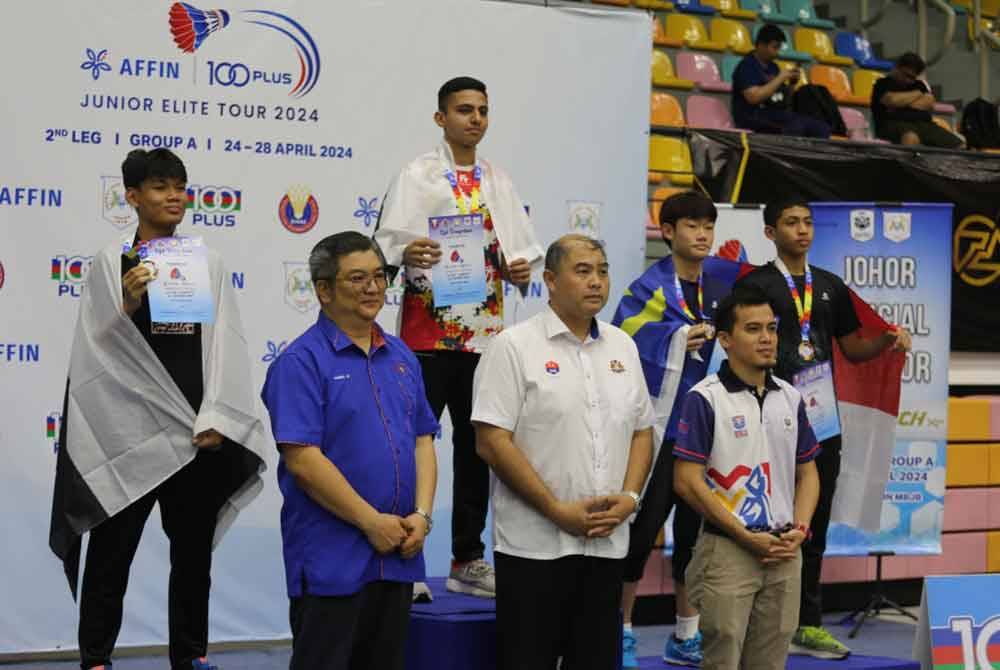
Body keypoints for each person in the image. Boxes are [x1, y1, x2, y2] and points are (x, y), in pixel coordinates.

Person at [49, 148, 271, 670]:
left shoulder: (206, 261)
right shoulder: (112, 261)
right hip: (129, 436)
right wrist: (124, 304)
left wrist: (218, 414)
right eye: (159, 187)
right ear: (132, 197)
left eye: (180, 186)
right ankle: (96, 659)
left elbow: (225, 345)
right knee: (111, 556)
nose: (174, 197)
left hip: (196, 432)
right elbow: (94, 348)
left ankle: (191, 656)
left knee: (192, 558)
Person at [374, 75, 544, 598]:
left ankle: (467, 559)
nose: (475, 119)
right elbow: (386, 244)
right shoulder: (417, 174)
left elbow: (521, 251)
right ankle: (405, 562)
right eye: (464, 109)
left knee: (479, 449)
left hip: (486, 338)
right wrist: (408, 252)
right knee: (411, 444)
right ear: (440, 117)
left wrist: (520, 272)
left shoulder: (499, 179)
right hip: (427, 335)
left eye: (483, 110)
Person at [735, 199, 912, 659]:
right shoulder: (756, 284)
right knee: (763, 513)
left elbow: (853, 348)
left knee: (810, 521)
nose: (803, 230)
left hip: (821, 422)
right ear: (771, 232)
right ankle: (759, 621)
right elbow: (741, 345)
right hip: (767, 414)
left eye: (808, 222)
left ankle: (806, 623)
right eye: (792, 223)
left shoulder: (830, 286)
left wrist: (888, 341)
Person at [471, 234, 655, 670]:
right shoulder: (513, 346)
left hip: (607, 543)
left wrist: (629, 500)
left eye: (603, 271)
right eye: (583, 271)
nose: (596, 282)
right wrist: (556, 509)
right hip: (534, 547)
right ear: (550, 280)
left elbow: (642, 431)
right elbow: (491, 441)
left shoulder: (622, 347)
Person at [260, 232, 439, 670]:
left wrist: (422, 515)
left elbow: (423, 440)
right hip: (331, 561)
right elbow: (303, 460)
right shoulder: (300, 362)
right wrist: (369, 521)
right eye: (357, 278)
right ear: (323, 290)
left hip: (398, 554)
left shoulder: (402, 356)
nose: (373, 288)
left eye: (379, 277)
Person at [612, 191, 741, 667]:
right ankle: (621, 631)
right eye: (691, 225)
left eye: (708, 225)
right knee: (642, 531)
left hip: (707, 430)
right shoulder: (649, 287)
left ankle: (685, 634)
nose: (703, 234)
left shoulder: (722, 286)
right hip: (658, 430)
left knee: (696, 536)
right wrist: (678, 337)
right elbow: (624, 338)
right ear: (667, 232)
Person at [674, 286, 821, 670]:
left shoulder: (790, 396)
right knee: (721, 661)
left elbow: (809, 473)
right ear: (725, 340)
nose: (767, 338)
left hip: (786, 549)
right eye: (753, 329)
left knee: (771, 663)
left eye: (771, 328)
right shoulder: (704, 398)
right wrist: (744, 535)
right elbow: (686, 480)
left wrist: (801, 529)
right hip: (728, 550)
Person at [732, 23, 831, 138]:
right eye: (774, 47)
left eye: (778, 48)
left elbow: (783, 99)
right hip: (751, 116)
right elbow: (753, 98)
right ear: (761, 45)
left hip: (775, 114)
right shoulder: (746, 66)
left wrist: (791, 84)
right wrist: (780, 78)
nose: (777, 52)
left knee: (820, 127)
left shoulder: (773, 67)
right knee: (796, 125)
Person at [871, 52, 964, 149]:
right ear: (897, 68)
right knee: (911, 138)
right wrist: (917, 94)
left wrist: (901, 102)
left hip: (924, 125)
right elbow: (892, 100)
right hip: (892, 124)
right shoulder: (882, 84)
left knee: (960, 145)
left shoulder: (919, 85)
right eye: (905, 75)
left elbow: (929, 102)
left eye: (912, 77)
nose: (908, 80)